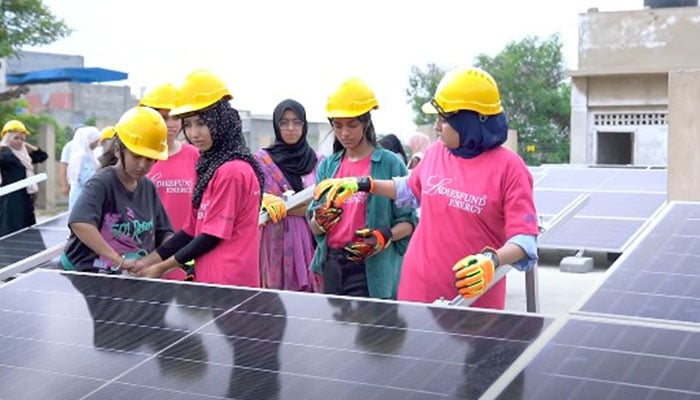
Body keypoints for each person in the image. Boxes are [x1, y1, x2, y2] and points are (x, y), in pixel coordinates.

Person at [314, 67, 539, 309]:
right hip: (416, 290)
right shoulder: (435, 153)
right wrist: (363, 184)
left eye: (444, 119)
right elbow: (408, 189)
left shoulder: (510, 168)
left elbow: (525, 240)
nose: (437, 126)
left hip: (471, 299)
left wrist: (492, 259)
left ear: (469, 120)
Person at [123, 69, 271, 288]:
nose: (194, 134)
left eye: (201, 123)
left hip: (229, 283)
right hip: (210, 280)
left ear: (220, 120)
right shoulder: (212, 166)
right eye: (189, 124)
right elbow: (191, 230)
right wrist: (148, 261)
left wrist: (161, 268)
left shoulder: (233, 171)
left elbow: (210, 237)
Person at [308, 77, 416, 299]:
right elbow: (314, 225)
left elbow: (408, 221)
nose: (344, 133)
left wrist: (383, 237)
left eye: (352, 125)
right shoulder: (328, 166)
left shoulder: (389, 163)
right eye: (337, 126)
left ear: (366, 122)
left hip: (372, 268)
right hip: (333, 265)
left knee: (373, 331)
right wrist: (320, 221)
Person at [60, 107, 173, 273]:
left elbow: (165, 233)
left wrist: (156, 260)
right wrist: (118, 260)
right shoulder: (102, 183)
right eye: (136, 156)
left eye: (150, 159)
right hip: (84, 277)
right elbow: (80, 222)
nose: (142, 164)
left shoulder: (148, 188)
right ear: (119, 150)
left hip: (123, 279)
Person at [254, 98, 321, 292]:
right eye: (284, 122)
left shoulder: (317, 161)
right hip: (273, 240)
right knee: (272, 302)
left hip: (309, 239)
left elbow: (320, 204)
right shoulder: (261, 161)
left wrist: (285, 206)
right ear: (276, 125)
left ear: (304, 125)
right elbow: (255, 200)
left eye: (296, 122)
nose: (290, 128)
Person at [141, 83, 200, 232]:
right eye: (164, 118)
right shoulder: (141, 158)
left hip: (188, 243)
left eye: (176, 118)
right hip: (153, 243)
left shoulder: (193, 154)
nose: (171, 124)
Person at [0, 120, 49, 236]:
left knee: (26, 230)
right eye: (16, 138)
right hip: (10, 199)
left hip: (25, 197)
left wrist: (26, 145)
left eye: (22, 139)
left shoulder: (23, 155)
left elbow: (42, 156)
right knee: (13, 231)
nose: (19, 142)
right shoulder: (5, 153)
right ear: (7, 137)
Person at [67, 126, 101, 210]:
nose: (97, 144)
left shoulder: (89, 154)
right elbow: (84, 178)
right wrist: (99, 171)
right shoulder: (81, 156)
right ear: (89, 140)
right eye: (96, 142)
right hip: (81, 194)